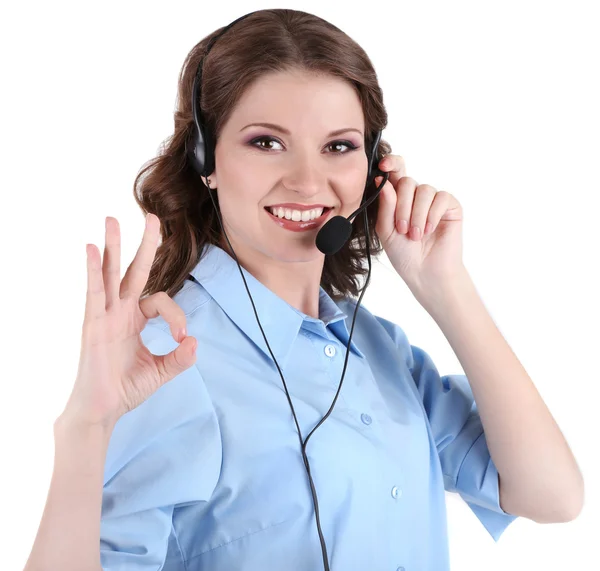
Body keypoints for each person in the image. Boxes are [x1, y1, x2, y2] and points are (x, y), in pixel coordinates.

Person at [23, 8, 584, 571]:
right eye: (266, 142)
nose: (308, 181)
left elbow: (552, 497)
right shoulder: (160, 362)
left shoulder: (381, 352)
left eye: (338, 146)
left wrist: (445, 286)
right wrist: (86, 428)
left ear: (374, 168)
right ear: (205, 158)